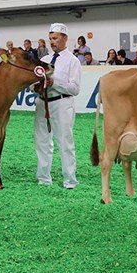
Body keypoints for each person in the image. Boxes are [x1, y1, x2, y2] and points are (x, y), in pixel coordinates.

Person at [34, 23, 81, 189]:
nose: (52, 42)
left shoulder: (73, 61)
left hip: (62, 103)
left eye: (55, 38)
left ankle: (70, 180)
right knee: (41, 141)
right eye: (50, 39)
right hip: (42, 102)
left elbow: (75, 89)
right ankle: (43, 178)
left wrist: (55, 83)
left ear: (65, 38)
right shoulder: (44, 60)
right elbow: (33, 82)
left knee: (65, 143)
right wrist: (35, 86)